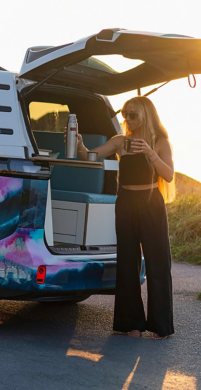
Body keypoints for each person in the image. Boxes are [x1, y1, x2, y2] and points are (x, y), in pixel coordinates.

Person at [66, 96, 175, 340]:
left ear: (146, 115)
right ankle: (132, 324)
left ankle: (160, 326)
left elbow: (168, 175)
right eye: (125, 114)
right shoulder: (120, 142)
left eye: (133, 114)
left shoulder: (160, 142)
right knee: (127, 264)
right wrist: (81, 145)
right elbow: (90, 157)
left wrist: (150, 153)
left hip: (151, 205)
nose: (128, 119)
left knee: (158, 263)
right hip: (125, 204)